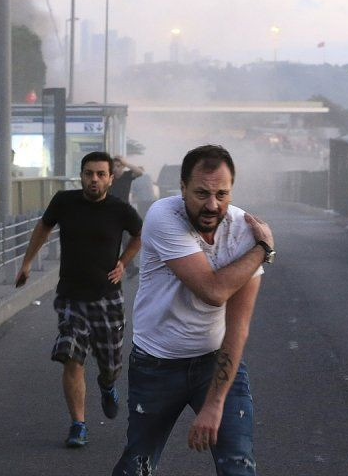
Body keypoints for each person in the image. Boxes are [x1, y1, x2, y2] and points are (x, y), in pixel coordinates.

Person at [112, 145, 275, 476]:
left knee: (239, 467)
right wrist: (264, 250)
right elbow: (213, 292)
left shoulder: (244, 231)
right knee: (137, 466)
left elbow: (238, 326)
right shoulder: (163, 216)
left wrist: (215, 404)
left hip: (215, 362)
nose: (212, 205)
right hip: (156, 365)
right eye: (201, 193)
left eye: (221, 193)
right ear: (182, 188)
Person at [15, 151, 142, 448]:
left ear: (111, 178)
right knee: (71, 357)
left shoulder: (120, 209)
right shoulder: (64, 201)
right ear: (81, 176)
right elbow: (43, 227)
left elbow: (139, 235)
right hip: (71, 297)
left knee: (110, 363)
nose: (94, 179)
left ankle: (108, 385)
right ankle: (78, 424)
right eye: (88, 173)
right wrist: (27, 263)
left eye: (100, 174)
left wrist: (123, 262)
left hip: (107, 298)